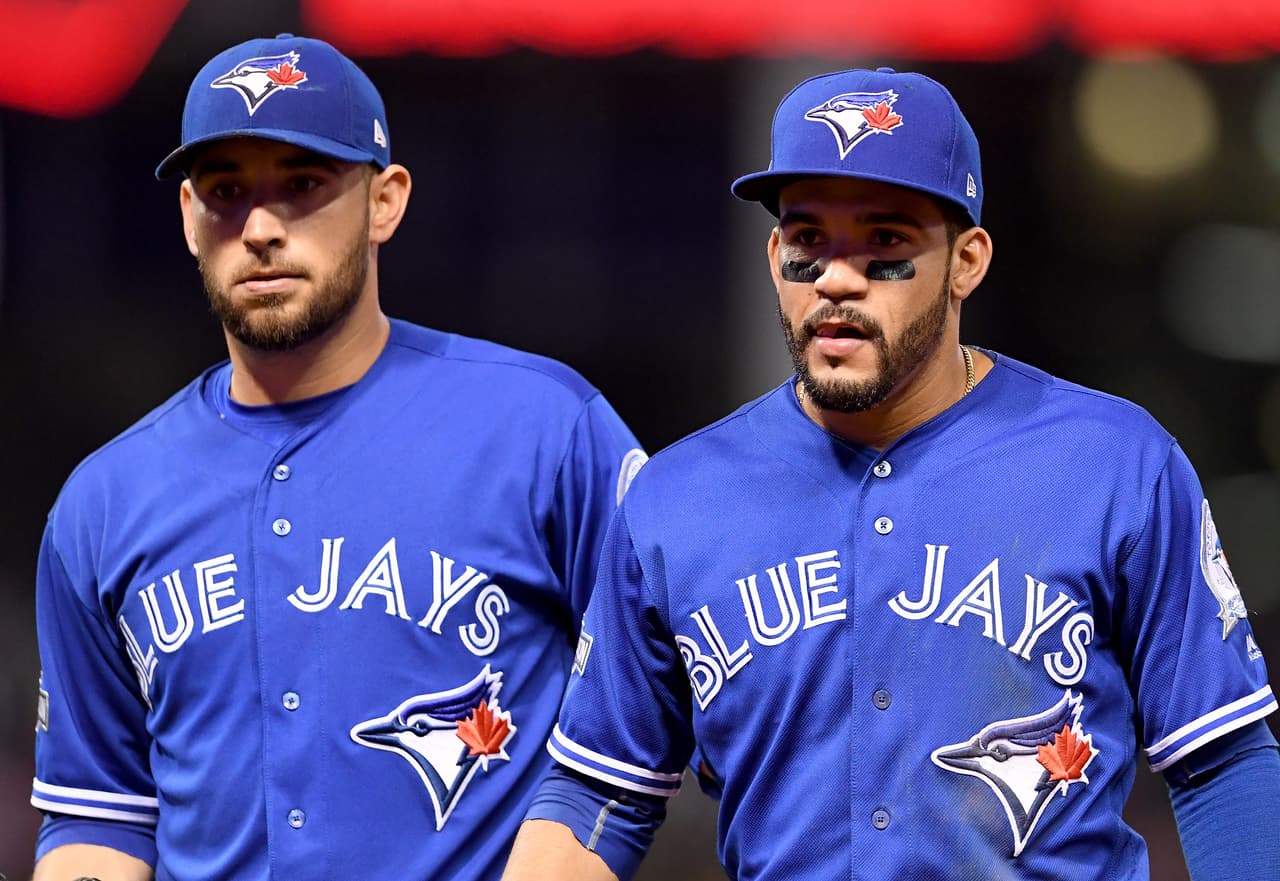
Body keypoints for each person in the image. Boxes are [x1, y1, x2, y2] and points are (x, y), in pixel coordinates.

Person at [500, 67, 1280, 881]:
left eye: (886, 244)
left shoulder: (1115, 463)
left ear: (967, 260)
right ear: (774, 256)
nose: (837, 277)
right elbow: (601, 792)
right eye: (808, 241)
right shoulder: (675, 499)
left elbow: (1220, 761)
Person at [30, 33, 647, 881]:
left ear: (385, 201)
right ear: (185, 216)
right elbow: (99, 812)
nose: (260, 226)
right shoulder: (105, 499)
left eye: (305, 183)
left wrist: (574, 838)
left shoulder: (543, 428)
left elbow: (662, 687)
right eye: (224, 190)